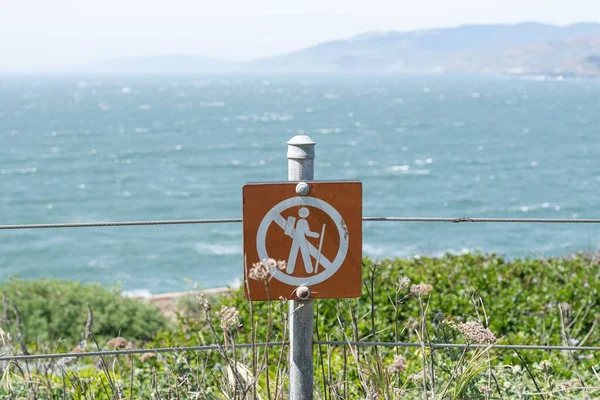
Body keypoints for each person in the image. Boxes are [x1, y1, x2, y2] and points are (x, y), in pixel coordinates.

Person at [286, 207, 320, 274]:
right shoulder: (304, 221)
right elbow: (308, 233)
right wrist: (317, 235)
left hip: (296, 239)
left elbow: (290, 231)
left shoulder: (298, 221)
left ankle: (289, 270)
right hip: (301, 240)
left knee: (293, 254)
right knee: (305, 254)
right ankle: (309, 270)